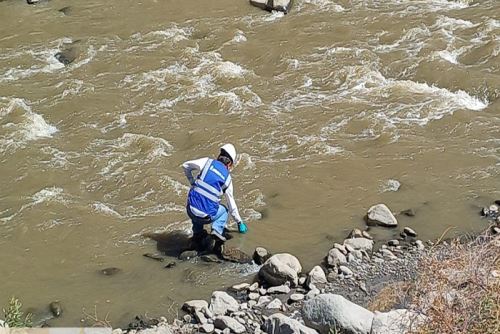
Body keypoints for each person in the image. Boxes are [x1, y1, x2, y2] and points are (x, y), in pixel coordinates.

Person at [182, 144, 248, 245]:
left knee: (198, 202)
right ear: (229, 164)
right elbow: (232, 206)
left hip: (190, 210)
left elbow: (185, 166)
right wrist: (239, 222)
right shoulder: (227, 179)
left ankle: (197, 234)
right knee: (224, 211)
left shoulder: (206, 162)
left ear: (219, 156)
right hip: (206, 217)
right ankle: (216, 230)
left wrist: (192, 181)